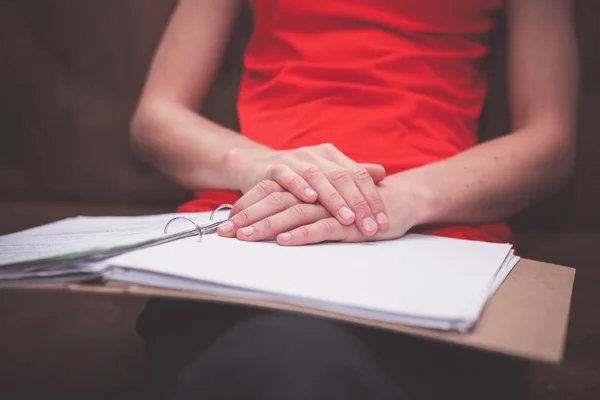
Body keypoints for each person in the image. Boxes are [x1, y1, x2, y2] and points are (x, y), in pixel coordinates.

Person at [130, 0, 578, 399]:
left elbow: (551, 144)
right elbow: (155, 119)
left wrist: (396, 199)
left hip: (436, 229)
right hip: (252, 219)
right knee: (286, 359)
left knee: (294, 362)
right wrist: (258, 165)